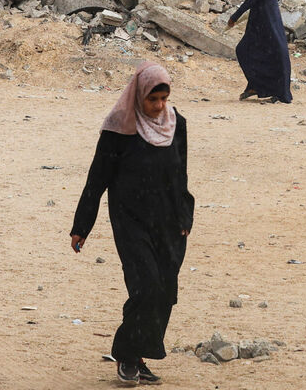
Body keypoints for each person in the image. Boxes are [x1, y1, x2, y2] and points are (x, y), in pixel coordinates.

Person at [70, 61, 194, 386]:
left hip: (167, 221)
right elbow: (97, 179)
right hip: (130, 220)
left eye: (164, 99)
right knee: (146, 286)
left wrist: (184, 216)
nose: (159, 106)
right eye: (153, 100)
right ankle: (125, 354)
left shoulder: (175, 124)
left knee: (164, 291)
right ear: (139, 96)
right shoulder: (119, 128)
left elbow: (180, 173)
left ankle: (139, 354)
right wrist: (82, 226)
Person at [227, 0, 293, 103]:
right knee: (245, 50)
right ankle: (256, 85)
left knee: (276, 52)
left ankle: (281, 92)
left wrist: (235, 16)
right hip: (258, 16)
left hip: (268, 15)